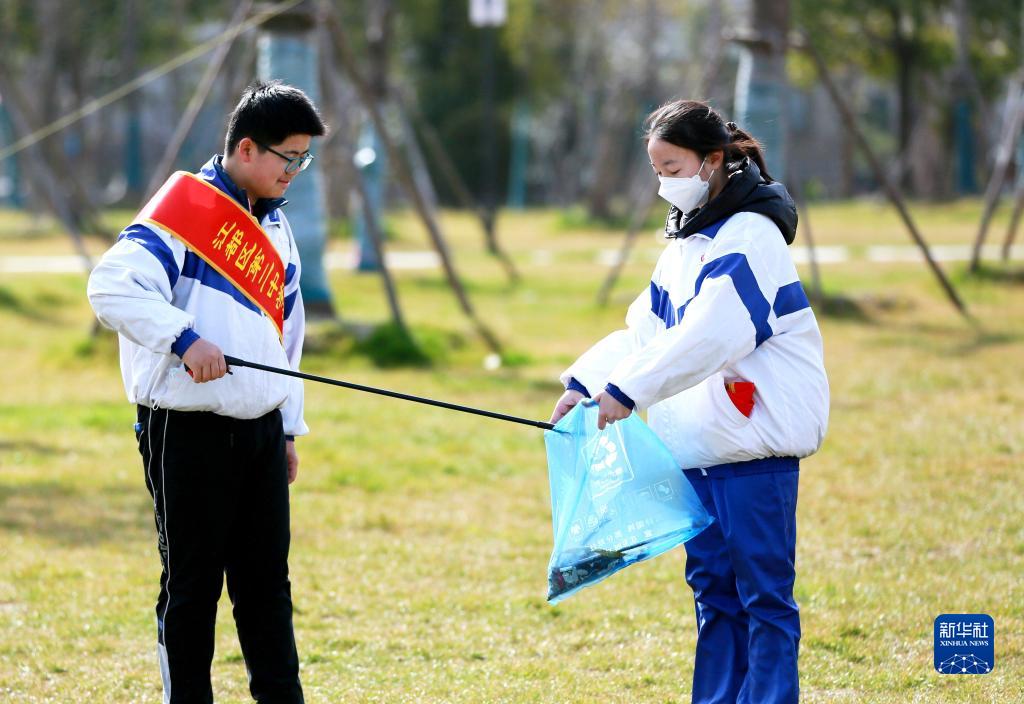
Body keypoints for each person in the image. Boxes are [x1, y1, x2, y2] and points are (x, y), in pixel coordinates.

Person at [549, 100, 829, 704]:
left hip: (754, 449)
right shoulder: (682, 242)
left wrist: (627, 391)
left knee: (763, 596)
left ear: (713, 161)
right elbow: (645, 330)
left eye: (672, 167)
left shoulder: (751, 236)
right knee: (712, 592)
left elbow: (712, 332)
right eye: (655, 169)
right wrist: (585, 381)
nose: (663, 182)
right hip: (696, 451)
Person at [87, 80, 325, 704]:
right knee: (193, 589)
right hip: (187, 431)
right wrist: (183, 339)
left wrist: (289, 428)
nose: (296, 172)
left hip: (262, 434)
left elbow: (288, 333)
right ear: (247, 149)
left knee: (267, 587)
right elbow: (110, 287)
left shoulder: (277, 228)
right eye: (288, 157)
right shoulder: (180, 214)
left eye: (305, 159)